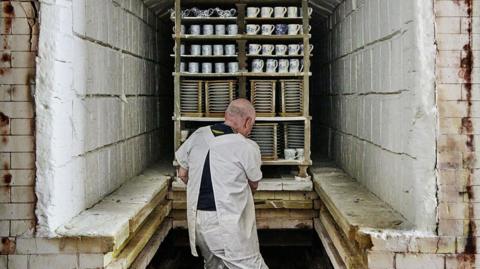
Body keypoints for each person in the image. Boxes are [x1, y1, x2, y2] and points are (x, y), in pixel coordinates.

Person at [175, 98, 268, 269]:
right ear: (247, 122)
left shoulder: (198, 135)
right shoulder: (246, 146)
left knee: (214, 266)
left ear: (226, 115)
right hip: (227, 224)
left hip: (198, 221)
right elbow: (254, 183)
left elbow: (182, 172)